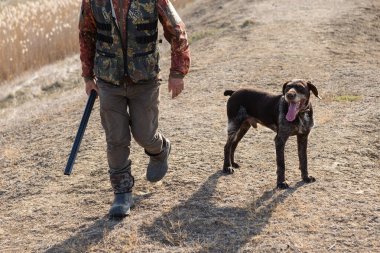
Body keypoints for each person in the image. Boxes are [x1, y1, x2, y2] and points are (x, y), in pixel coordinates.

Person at [79, 0, 190, 218]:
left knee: (145, 135)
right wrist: (87, 75)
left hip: (144, 79)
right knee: (116, 139)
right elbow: (86, 34)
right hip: (108, 80)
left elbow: (177, 31)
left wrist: (177, 73)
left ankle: (160, 149)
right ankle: (122, 193)